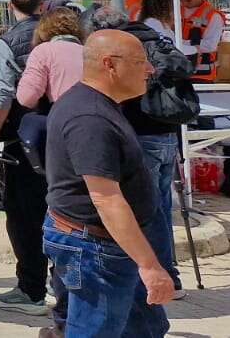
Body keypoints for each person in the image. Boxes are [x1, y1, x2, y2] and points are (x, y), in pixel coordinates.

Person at [44, 30, 172, 336]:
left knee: (148, 329)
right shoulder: (90, 116)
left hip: (112, 245)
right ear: (110, 65)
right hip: (95, 249)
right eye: (141, 61)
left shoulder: (100, 105)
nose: (150, 70)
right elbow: (106, 199)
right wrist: (150, 266)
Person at [86, 4, 191, 298]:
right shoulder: (155, 38)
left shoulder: (125, 49)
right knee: (160, 209)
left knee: (145, 210)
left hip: (141, 136)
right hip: (168, 135)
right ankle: (170, 274)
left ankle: (154, 275)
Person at [0, 0, 51, 318]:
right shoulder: (64, 36)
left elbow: (2, 96)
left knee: (24, 215)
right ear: (43, 4)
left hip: (24, 139)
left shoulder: (7, 41)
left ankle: (31, 289)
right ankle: (63, 282)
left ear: (11, 6)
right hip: (64, 131)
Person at [15, 7, 87, 108]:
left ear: (43, 29)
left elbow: (26, 97)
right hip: (93, 114)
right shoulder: (89, 51)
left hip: (60, 113)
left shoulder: (43, 51)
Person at [177, 0, 223, 83]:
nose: (184, 4)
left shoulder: (213, 16)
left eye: (188, 0)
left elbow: (211, 45)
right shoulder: (177, 10)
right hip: (180, 71)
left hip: (201, 74)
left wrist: (181, 44)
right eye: (181, 0)